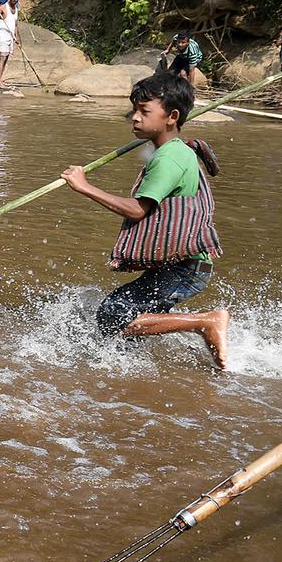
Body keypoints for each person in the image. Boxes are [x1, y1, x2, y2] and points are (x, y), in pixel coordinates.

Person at [60, 73, 229, 368]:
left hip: (184, 269)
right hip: (183, 264)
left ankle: (206, 322)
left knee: (112, 314)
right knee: (126, 328)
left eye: (144, 112)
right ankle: (213, 361)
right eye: (134, 111)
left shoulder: (169, 158)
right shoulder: (173, 150)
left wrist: (84, 186)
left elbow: (138, 209)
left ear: (172, 117)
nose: (135, 118)